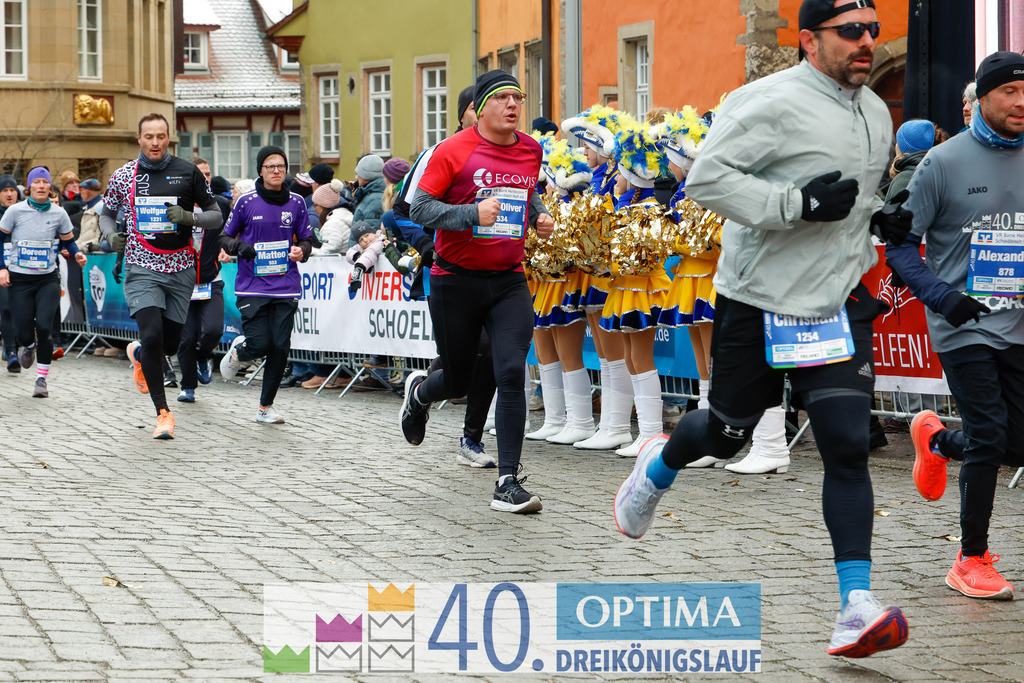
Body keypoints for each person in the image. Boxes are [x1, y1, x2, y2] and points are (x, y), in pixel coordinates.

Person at [614, 0, 912, 657]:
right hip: (760, 299)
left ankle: (854, 604)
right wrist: (796, 204)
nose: (867, 42)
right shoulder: (765, 99)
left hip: (835, 303)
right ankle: (659, 465)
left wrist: (877, 218)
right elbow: (708, 180)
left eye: (872, 31)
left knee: (843, 442)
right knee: (725, 434)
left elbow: (854, 196)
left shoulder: (872, 110)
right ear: (809, 40)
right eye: (850, 32)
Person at [886, 51, 1024, 601]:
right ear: (982, 98)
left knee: (1016, 443)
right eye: (1010, 92)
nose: (1020, 102)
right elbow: (899, 245)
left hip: (1018, 322)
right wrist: (943, 296)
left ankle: (938, 440)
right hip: (963, 323)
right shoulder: (941, 162)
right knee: (991, 435)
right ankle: (971, 558)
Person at [402, 68, 553, 513]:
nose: (513, 106)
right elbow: (420, 207)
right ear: (481, 107)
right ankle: (420, 394)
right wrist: (471, 214)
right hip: (455, 280)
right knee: (458, 379)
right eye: (503, 98)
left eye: (518, 98)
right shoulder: (452, 150)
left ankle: (508, 481)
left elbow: (528, 194)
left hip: (508, 279)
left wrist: (538, 217)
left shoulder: (530, 149)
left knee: (510, 373)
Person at [100, 113, 224, 439]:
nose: (155, 143)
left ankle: (141, 355)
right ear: (139, 139)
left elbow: (215, 215)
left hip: (181, 268)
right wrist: (112, 237)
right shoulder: (125, 175)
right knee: (152, 334)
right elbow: (107, 215)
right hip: (142, 266)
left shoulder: (188, 172)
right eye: (148, 137)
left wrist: (189, 216)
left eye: (160, 136)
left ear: (168, 138)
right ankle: (163, 414)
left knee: (168, 344)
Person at [218, 145, 312, 423]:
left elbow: (307, 239)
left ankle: (265, 408)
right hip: (252, 286)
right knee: (260, 344)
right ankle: (240, 350)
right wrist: (239, 247)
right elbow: (224, 238)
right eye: (270, 166)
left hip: (286, 285)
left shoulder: (296, 202)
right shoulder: (246, 202)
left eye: (281, 166)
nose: (276, 171)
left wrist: (301, 251)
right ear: (260, 170)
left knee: (281, 347)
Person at [0, 167, 87, 397]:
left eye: (44, 182)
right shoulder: (14, 211)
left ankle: (41, 379)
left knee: (46, 328)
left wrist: (77, 253)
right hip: (20, 279)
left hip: (47, 278)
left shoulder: (59, 213)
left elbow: (68, 241)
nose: (40, 186)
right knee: (24, 331)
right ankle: (27, 346)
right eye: (36, 182)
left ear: (50, 187)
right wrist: (2, 268)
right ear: (29, 187)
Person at [174, 158, 228, 403]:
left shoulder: (222, 206)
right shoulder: (174, 206)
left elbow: (236, 232)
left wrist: (230, 248)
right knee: (186, 338)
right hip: (182, 283)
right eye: (199, 174)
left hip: (210, 279)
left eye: (208, 174)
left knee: (214, 329)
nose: (205, 178)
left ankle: (204, 356)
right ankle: (188, 387)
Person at [0, 174, 22, 371]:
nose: (9, 194)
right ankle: (11, 351)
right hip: (2, 269)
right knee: (6, 308)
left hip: (25, 268)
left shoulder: (25, 212)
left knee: (22, 311)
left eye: (12, 190)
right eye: (5, 190)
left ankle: (21, 343)